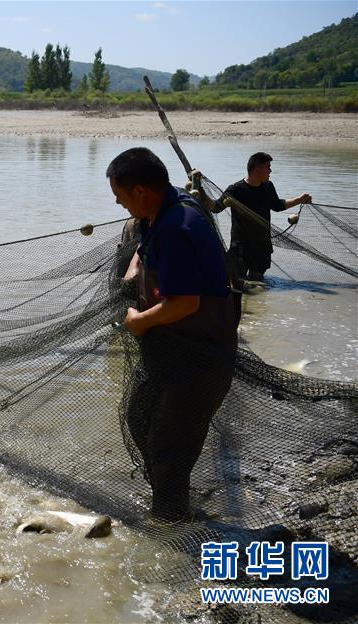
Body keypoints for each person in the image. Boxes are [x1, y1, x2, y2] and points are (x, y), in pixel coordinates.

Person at [108, 147, 238, 523]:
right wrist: (134, 270)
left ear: (141, 192)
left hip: (201, 356)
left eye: (120, 197)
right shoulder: (159, 210)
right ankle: (167, 497)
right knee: (139, 415)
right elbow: (142, 249)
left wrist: (140, 321)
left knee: (169, 443)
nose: (119, 204)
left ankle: (171, 526)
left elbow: (185, 304)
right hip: (170, 348)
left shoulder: (181, 225)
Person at [219, 152, 312, 281]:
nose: (270, 170)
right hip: (241, 247)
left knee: (257, 281)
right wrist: (199, 188)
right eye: (268, 167)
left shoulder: (268, 187)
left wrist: (299, 199)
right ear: (257, 169)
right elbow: (215, 207)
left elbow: (277, 205)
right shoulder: (236, 190)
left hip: (262, 246)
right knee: (238, 283)